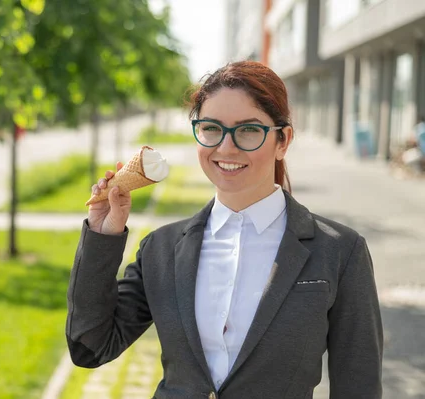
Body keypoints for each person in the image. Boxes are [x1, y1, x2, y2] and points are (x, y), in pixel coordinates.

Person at [66, 61, 383, 399]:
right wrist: (103, 235)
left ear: (282, 141)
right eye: (212, 128)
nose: (226, 148)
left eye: (248, 130)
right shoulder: (161, 249)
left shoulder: (339, 252)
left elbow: (358, 385)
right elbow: (91, 346)